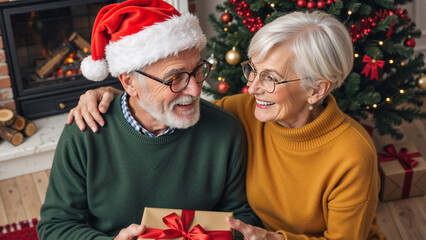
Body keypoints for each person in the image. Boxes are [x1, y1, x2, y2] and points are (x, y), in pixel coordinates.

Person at [68, 10, 387, 240]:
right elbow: (168, 106)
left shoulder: (352, 153)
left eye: (271, 78)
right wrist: (119, 92)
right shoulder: (245, 111)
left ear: (317, 89)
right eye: (253, 70)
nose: (253, 87)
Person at [37, 1, 261, 240]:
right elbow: (55, 226)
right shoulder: (85, 131)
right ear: (129, 83)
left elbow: (242, 217)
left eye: (197, 70)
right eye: (175, 78)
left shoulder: (225, 131)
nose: (196, 90)